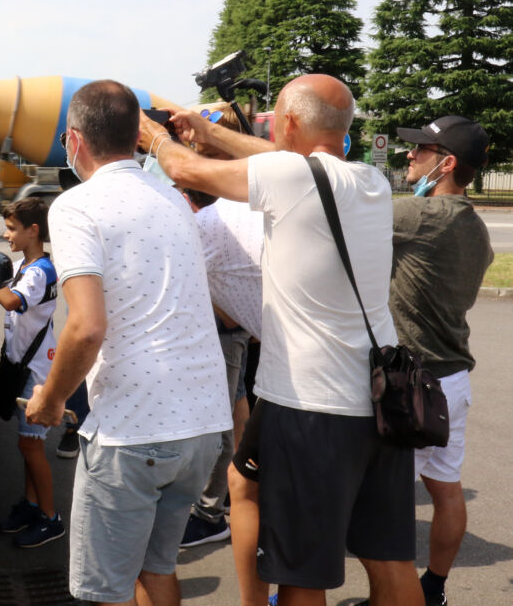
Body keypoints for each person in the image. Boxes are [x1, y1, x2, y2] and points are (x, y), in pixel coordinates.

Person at [138, 74, 424, 606]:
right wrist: (208, 129)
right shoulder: (371, 181)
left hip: (310, 407)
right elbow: (287, 159)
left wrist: (150, 134)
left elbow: (183, 170)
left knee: (301, 574)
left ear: (288, 122)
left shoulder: (288, 177)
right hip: (380, 397)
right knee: (389, 559)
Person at [26, 79, 230, 606]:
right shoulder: (173, 199)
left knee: (102, 591)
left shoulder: (76, 207)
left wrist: (49, 400)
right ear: (136, 137)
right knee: (156, 568)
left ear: (74, 141)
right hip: (202, 424)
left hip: (134, 427)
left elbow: (86, 326)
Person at [377, 116, 492, 606]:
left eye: (419, 150)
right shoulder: (477, 229)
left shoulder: (415, 216)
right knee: (445, 488)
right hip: (452, 379)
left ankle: (396, 596)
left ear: (444, 163)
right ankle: (433, 589)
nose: (409, 156)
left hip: (408, 382)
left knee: (383, 499)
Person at [0, 197, 63, 548]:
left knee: (32, 447)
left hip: (37, 373)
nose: (6, 235)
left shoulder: (39, 272)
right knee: (28, 445)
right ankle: (33, 505)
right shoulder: (27, 264)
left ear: (33, 231)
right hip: (29, 365)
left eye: (11, 229)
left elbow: (11, 301)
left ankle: (51, 518)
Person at [178, 192, 263, 549]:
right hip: (233, 332)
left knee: (219, 420)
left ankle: (210, 513)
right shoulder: (225, 222)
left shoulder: (209, 226)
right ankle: (229, 489)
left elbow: (213, 294)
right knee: (234, 404)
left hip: (226, 334)